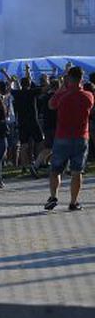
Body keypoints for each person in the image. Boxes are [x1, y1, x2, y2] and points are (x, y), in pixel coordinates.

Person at [46, 66, 95, 211]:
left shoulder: (62, 95)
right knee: (76, 172)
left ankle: (53, 196)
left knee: (55, 170)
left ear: (69, 79)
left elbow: (51, 105)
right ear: (81, 79)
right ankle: (73, 202)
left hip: (62, 136)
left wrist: (62, 86)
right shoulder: (88, 96)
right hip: (81, 136)